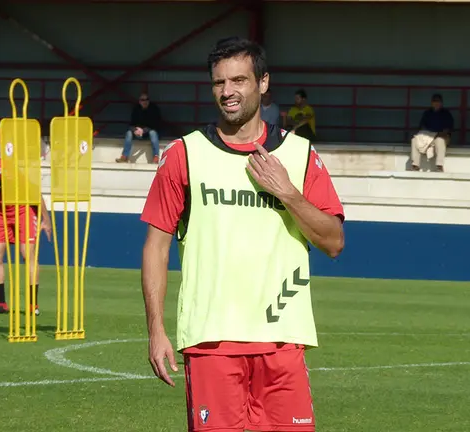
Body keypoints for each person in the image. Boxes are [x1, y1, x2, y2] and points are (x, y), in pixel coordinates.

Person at [141, 37, 345, 432]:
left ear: (263, 83)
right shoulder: (185, 154)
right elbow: (157, 245)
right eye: (219, 83)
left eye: (239, 80)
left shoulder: (301, 154)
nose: (228, 92)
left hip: (282, 339)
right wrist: (156, 330)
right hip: (210, 341)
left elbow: (333, 241)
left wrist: (286, 192)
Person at [0, 157, 51, 315]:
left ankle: (32, 305)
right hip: (1, 211)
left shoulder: (1, 167)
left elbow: (33, 190)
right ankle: (1, 303)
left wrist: (46, 219)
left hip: (23, 208)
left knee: (27, 254)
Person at [116, 92, 162, 164]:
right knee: (129, 133)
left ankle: (156, 157)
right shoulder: (136, 109)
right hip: (138, 133)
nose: (145, 101)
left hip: (148, 132)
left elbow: (156, 124)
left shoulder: (154, 109)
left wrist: (143, 130)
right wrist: (135, 130)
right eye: (143, 100)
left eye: (147, 99)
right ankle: (124, 156)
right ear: (139, 101)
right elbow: (131, 124)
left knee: (153, 133)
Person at [411, 94, 453, 172]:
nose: (436, 103)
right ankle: (415, 165)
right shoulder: (427, 113)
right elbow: (421, 127)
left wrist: (437, 134)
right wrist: (427, 135)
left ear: (441, 102)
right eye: (434, 101)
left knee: (440, 140)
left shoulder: (446, 113)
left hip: (441, 136)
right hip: (428, 136)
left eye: (438, 101)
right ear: (431, 102)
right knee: (414, 140)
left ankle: (439, 166)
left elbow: (448, 129)